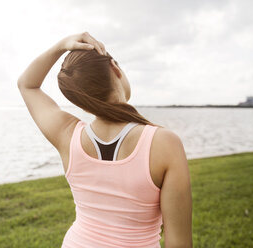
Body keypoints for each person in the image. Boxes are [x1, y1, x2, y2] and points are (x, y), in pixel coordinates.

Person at [17, 32, 193, 248]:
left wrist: (62, 46)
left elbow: (27, 84)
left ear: (80, 100)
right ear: (115, 69)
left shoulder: (67, 136)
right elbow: (179, 243)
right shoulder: (164, 143)